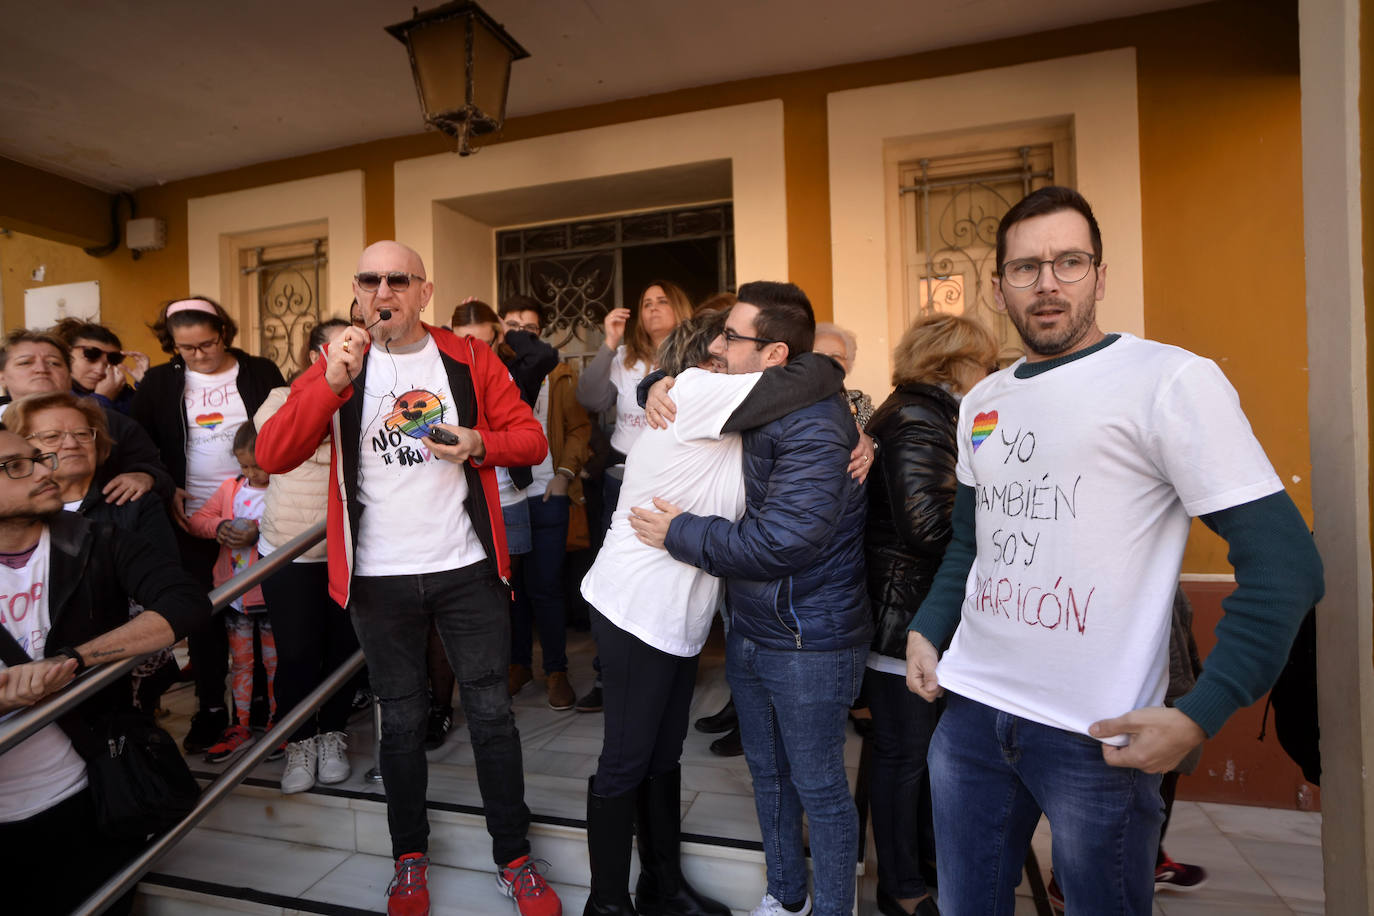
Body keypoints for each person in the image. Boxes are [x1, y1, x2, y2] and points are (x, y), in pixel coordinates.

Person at [903, 186, 1325, 915]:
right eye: (1026, 268)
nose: (1048, 284)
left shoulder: (1169, 382)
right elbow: (974, 541)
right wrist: (929, 627)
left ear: (1101, 275)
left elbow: (1288, 565)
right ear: (997, 287)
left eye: (1069, 262)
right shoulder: (982, 402)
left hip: (1097, 735)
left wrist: (1200, 712)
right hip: (971, 714)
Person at [255, 241, 559, 916]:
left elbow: (531, 441)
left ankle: (514, 857)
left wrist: (480, 442)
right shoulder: (339, 363)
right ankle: (409, 858)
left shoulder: (471, 358)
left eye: (399, 279)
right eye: (370, 280)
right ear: (358, 291)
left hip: (466, 569)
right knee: (399, 721)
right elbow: (274, 453)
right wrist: (332, 380)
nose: (383, 290)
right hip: (379, 579)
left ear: (424, 291)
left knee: (491, 716)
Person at [582, 311, 845, 916]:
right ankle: (606, 903)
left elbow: (803, 399)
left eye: (733, 339)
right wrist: (665, 382)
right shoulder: (697, 393)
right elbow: (811, 376)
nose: (725, 348)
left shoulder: (738, 417)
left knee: (664, 754)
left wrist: (862, 434)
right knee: (626, 758)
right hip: (634, 607)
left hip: (679, 615)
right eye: (720, 341)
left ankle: (661, 886)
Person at [0, 428, 209, 916]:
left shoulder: (97, 541)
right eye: (16, 465)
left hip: (85, 793)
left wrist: (75, 659)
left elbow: (184, 601)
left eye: (39, 458)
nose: (45, 471)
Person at [862, 313, 999, 916]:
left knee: (908, 755)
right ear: (955, 363)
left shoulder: (929, 413)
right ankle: (903, 887)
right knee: (904, 757)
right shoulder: (920, 419)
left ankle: (919, 873)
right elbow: (928, 527)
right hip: (904, 612)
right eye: (985, 364)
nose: (990, 375)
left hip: (908, 608)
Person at [130, 297, 285, 753]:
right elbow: (139, 443)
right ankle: (211, 708)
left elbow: (285, 430)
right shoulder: (160, 382)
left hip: (263, 508)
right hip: (195, 516)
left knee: (264, 610)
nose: (199, 356)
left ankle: (261, 703)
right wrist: (164, 483)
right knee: (205, 614)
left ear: (225, 332)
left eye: (208, 344)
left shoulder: (259, 371)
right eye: (186, 348)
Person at [4, 391, 182, 711]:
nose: (71, 443)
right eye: (53, 436)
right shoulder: (12, 525)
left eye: (82, 434)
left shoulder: (131, 501)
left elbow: (170, 590)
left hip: (118, 678)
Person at [575, 280, 693, 712]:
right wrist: (608, 342)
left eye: (664, 301)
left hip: (675, 483)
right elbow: (588, 396)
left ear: (680, 308)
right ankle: (610, 677)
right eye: (647, 303)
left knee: (670, 578)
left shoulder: (697, 360)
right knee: (614, 577)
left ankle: (668, 671)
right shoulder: (626, 359)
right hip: (622, 480)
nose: (654, 309)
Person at [256, 318, 359, 794]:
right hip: (291, 551)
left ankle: (333, 733)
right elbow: (276, 445)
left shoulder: (370, 400)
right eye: (343, 344)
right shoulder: (282, 398)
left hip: (352, 550)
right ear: (320, 350)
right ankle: (298, 739)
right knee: (297, 654)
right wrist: (326, 384)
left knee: (342, 650)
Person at [500, 295, 590, 712]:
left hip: (547, 492)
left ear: (540, 333)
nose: (520, 332)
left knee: (547, 588)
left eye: (530, 328)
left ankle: (556, 670)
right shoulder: (489, 371)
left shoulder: (559, 372)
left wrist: (565, 473)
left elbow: (578, 427)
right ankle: (518, 664)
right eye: (512, 324)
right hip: (505, 497)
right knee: (511, 589)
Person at [0, 329, 172, 505]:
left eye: (54, 363)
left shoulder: (112, 422)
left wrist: (145, 476)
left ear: (68, 375)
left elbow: (158, 472)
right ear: (2, 376)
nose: (41, 369)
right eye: (25, 363)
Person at [188, 423, 277, 764]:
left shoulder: (283, 490)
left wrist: (258, 532)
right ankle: (239, 726)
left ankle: (275, 724)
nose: (252, 473)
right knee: (241, 663)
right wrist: (220, 527)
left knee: (274, 665)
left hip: (271, 595)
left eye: (258, 465)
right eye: (245, 466)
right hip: (235, 597)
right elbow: (198, 520)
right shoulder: (230, 488)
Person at [51, 317, 149, 414]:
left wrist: (145, 384)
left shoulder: (122, 393)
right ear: (66, 354)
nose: (100, 370)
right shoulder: (51, 394)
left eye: (113, 360)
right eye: (90, 356)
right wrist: (102, 399)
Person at [813, 322, 874, 428]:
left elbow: (877, 438)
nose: (827, 361)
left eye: (836, 355)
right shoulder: (791, 401)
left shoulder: (860, 403)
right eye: (817, 354)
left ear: (848, 363)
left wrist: (872, 443)